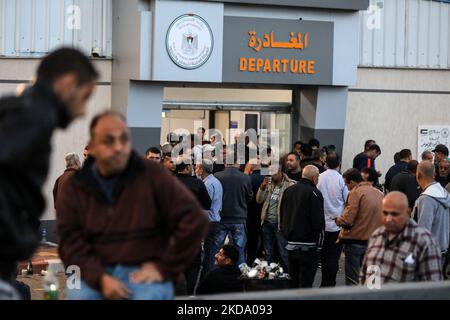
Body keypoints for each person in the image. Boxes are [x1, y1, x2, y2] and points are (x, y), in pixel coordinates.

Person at [56, 111, 209, 300]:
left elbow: (194, 219)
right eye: (109, 140)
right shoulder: (75, 186)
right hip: (96, 270)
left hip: (141, 271)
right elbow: (70, 243)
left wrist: (164, 267)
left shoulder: (151, 174)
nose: (118, 147)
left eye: (124, 139)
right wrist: (100, 279)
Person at [0, 48, 98, 296]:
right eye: (85, 97)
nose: (83, 111)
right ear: (67, 83)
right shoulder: (34, 115)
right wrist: (18, 239)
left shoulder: (17, 108)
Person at [360, 192, 443, 284]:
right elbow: (365, 275)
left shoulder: (425, 241)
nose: (388, 219)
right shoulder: (376, 235)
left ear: (407, 212)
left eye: (394, 214)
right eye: (385, 213)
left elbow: (432, 288)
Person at [336, 169, 384, 285]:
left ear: (352, 182)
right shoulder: (379, 193)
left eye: (346, 183)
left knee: (353, 279)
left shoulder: (356, 192)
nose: (346, 187)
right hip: (375, 242)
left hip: (355, 240)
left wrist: (338, 220)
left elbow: (348, 219)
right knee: (373, 280)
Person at [280, 165, 325, 288]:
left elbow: (282, 213)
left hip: (291, 243)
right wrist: (319, 246)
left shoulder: (288, 191)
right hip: (308, 245)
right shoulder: (315, 193)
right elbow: (318, 221)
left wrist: (285, 233)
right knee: (306, 282)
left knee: (293, 280)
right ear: (314, 177)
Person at [214, 152, 253, 266]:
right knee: (239, 251)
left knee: (216, 250)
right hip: (239, 219)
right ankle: (239, 278)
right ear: (238, 163)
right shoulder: (245, 178)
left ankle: (213, 275)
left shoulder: (217, 176)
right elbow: (249, 197)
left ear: (226, 162)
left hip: (221, 218)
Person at [316, 154, 349, 287]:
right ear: (339, 163)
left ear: (325, 163)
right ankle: (328, 285)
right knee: (333, 258)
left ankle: (322, 284)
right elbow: (348, 201)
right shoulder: (341, 180)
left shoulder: (318, 178)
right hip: (336, 225)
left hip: (320, 225)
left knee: (322, 257)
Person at [256, 165, 295, 271]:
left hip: (280, 224)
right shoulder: (268, 183)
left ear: (280, 171)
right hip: (266, 221)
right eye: (270, 172)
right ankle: (269, 278)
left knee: (283, 252)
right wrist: (262, 188)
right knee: (268, 252)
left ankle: (288, 277)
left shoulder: (290, 184)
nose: (272, 175)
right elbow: (259, 200)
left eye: (274, 172)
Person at [412, 161, 450, 270]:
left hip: (429, 253)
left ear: (418, 175)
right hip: (442, 248)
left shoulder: (427, 198)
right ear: (434, 174)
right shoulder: (444, 192)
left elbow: (423, 230)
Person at [195, 159, 223, 276]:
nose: (196, 170)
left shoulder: (207, 184)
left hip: (209, 222)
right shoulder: (216, 181)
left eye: (197, 167)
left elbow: (206, 205)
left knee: (208, 254)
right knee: (210, 252)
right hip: (214, 221)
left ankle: (205, 279)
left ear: (202, 169)